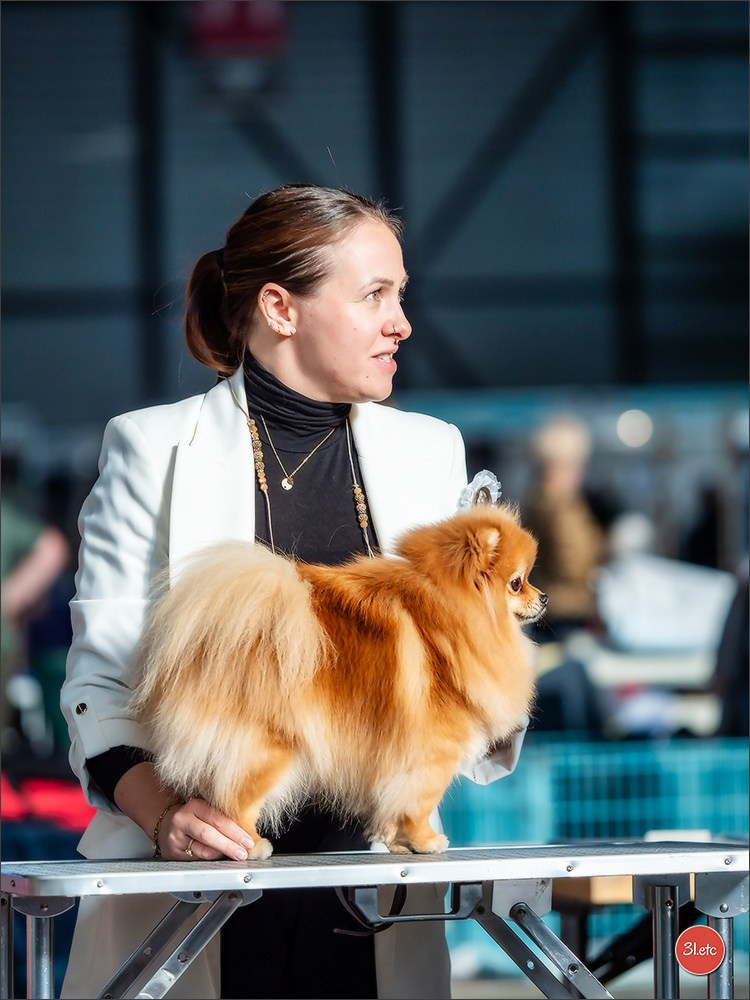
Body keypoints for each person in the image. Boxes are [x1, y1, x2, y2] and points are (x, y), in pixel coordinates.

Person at [60, 183, 528, 1000]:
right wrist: (166, 815)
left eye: (402, 295)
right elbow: (100, 682)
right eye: (375, 295)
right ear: (281, 307)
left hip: (369, 896)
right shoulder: (151, 447)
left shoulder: (432, 452)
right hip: (196, 892)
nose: (402, 324)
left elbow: (478, 670)